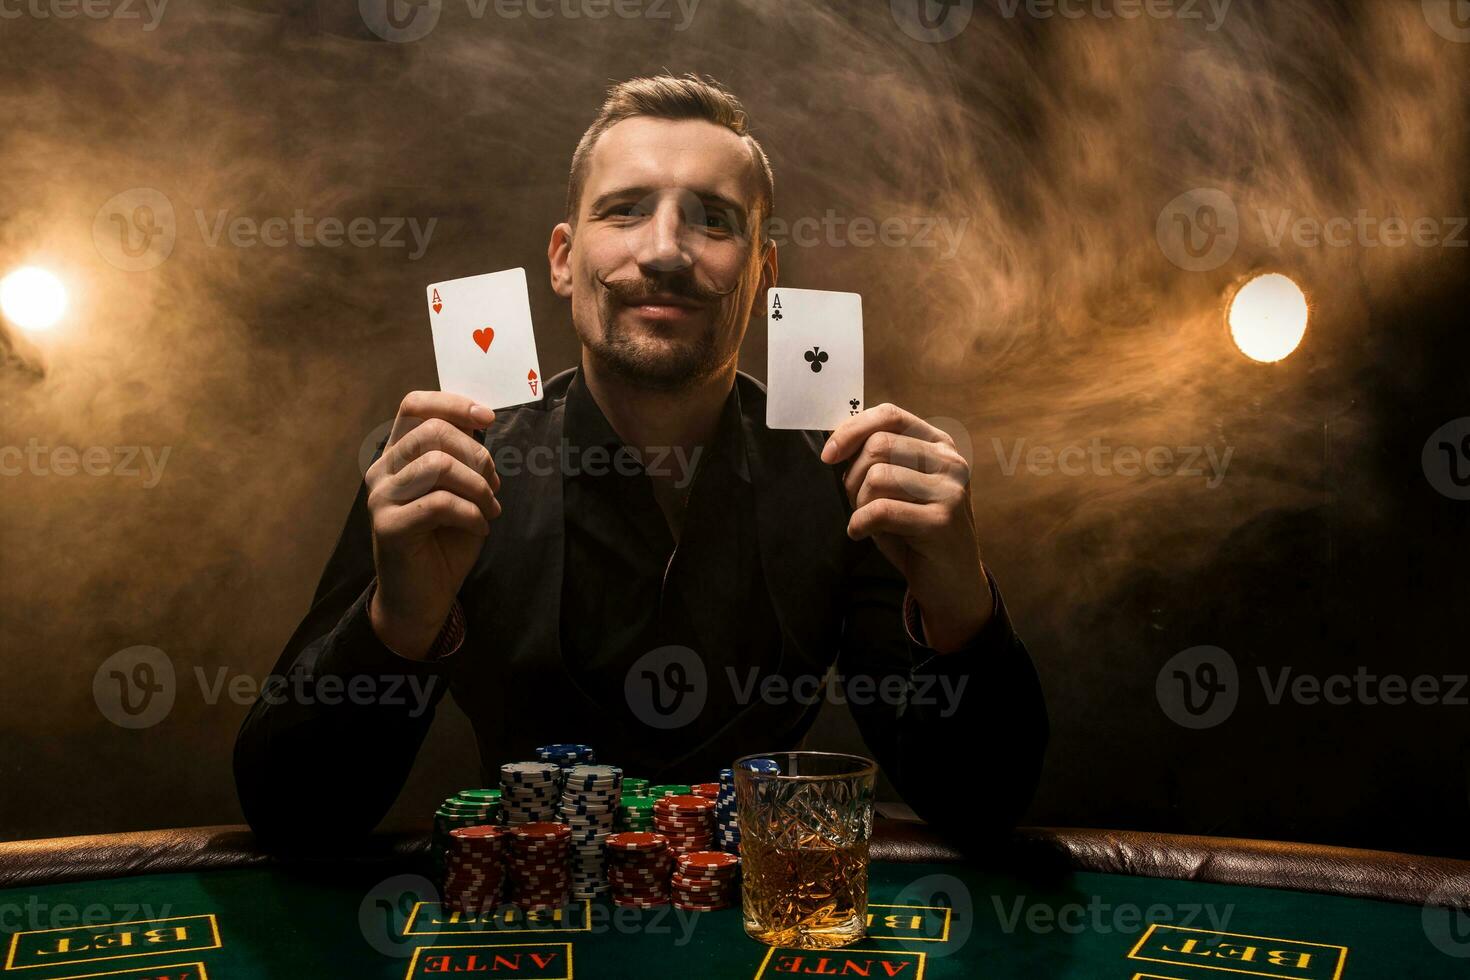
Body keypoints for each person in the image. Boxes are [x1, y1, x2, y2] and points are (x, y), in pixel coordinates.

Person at [234, 73, 1046, 850]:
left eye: (715, 221)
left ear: (763, 275)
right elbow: (295, 815)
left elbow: (979, 804)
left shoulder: (846, 477)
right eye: (624, 212)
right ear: (562, 259)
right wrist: (398, 623)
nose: (664, 251)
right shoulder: (442, 471)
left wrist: (961, 603)